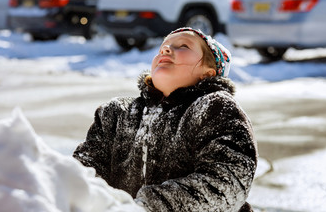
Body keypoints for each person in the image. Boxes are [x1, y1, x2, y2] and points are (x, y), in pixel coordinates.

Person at [73, 27, 258, 212]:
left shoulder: (216, 108)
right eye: (163, 46)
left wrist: (146, 208)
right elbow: (82, 173)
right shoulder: (115, 113)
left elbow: (227, 182)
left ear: (208, 73)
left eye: (183, 45)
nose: (166, 49)